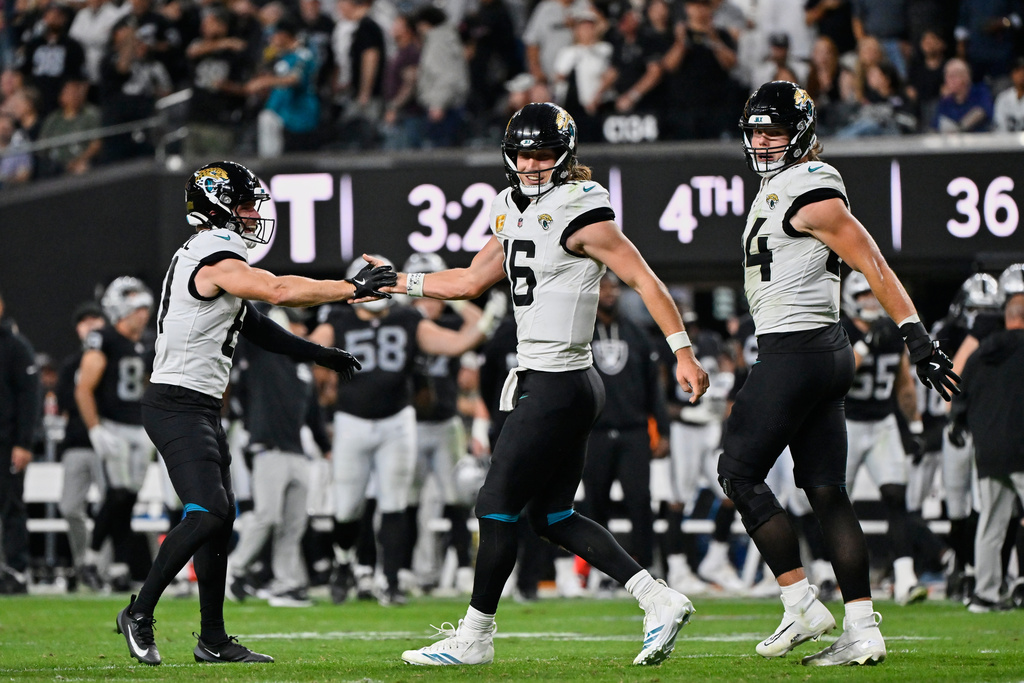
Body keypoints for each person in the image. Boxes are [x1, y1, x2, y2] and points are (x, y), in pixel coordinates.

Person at [387, 101, 708, 667]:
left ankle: (475, 637)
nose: (531, 165)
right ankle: (658, 599)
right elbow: (467, 280)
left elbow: (645, 280)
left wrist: (682, 351)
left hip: (559, 378)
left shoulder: (583, 211)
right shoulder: (509, 206)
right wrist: (398, 282)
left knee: (495, 504)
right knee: (552, 516)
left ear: (566, 156)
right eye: (523, 154)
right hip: (557, 380)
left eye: (542, 154)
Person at [113, 160, 395, 666]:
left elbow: (257, 323)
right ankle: (139, 611)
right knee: (209, 510)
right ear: (217, 205)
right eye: (244, 204)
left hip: (197, 404)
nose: (251, 214)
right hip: (176, 402)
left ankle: (213, 640)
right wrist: (352, 288)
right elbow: (279, 290)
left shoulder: (216, 257)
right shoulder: (214, 255)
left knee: (221, 520)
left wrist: (317, 352)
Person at [724, 81, 959, 666]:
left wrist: (916, 336)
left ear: (800, 132)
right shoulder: (782, 189)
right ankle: (862, 628)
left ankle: (800, 601)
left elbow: (872, 260)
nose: (761, 142)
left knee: (738, 472)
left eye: (773, 131)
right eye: (755, 132)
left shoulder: (810, 189)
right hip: (823, 351)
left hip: (797, 348)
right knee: (827, 491)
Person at [309, 255, 498, 606]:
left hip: (398, 419)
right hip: (351, 420)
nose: (378, 291)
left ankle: (392, 580)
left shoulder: (408, 318)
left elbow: (456, 344)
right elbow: (306, 351)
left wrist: (486, 316)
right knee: (347, 507)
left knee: (395, 502)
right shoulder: (338, 320)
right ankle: (344, 563)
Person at [226, 304, 331, 608]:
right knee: (267, 515)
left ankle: (285, 584)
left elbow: (312, 414)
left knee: (294, 522)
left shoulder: (303, 367)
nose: (302, 331)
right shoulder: (262, 355)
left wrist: (325, 447)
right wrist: (270, 319)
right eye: (296, 325)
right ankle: (234, 569)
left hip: (297, 451)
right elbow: (247, 330)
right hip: (267, 448)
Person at [839, 270, 927, 606]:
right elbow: (839, 378)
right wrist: (863, 345)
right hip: (845, 422)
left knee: (895, 495)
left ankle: (905, 579)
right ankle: (826, 572)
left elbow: (903, 382)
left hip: (882, 423)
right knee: (832, 502)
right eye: (863, 297)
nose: (871, 302)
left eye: (873, 296)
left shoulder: (890, 332)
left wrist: (915, 425)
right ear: (850, 299)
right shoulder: (840, 331)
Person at [580, 272, 669, 587]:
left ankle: (646, 570)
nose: (609, 292)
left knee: (639, 502)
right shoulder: (580, 333)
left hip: (633, 431)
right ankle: (600, 572)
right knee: (595, 504)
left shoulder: (637, 334)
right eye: (603, 287)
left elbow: (653, 388)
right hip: (595, 432)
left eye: (613, 287)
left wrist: (664, 431)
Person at [76, 277, 157, 592]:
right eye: (138, 309)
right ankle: (91, 560)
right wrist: (95, 428)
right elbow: (84, 388)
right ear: (122, 309)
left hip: (140, 427)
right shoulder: (103, 339)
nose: (143, 315)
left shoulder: (144, 343)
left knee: (129, 499)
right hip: (114, 426)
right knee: (116, 495)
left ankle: (121, 566)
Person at [950, 280, 1024, 612]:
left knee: (991, 525)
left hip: (990, 452)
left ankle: (985, 594)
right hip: (1021, 448)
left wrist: (959, 424)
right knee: (996, 524)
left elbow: (959, 396)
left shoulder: (980, 354)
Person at [55, 301, 107, 591]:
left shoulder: (112, 358)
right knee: (69, 506)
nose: (90, 326)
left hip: (108, 443)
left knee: (109, 508)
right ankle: (83, 563)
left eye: (95, 320)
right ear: (77, 328)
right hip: (77, 442)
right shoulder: (71, 364)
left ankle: (103, 570)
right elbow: (64, 403)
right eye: (84, 321)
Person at [0, 288, 41, 595]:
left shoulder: (15, 346)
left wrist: (24, 443)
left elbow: (30, 399)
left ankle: (17, 569)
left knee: (12, 505)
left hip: (6, 442)